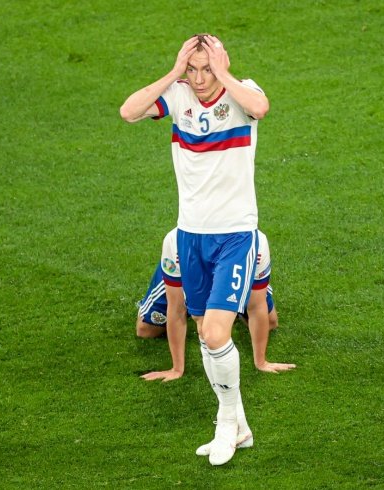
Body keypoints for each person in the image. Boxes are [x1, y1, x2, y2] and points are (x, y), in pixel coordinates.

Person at [120, 33, 270, 466]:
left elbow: (261, 108)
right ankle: (240, 426)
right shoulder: (178, 95)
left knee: (217, 334)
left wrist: (223, 72)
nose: (200, 79)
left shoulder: (243, 92)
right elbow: (128, 112)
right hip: (190, 235)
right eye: (193, 69)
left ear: (222, 63)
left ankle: (225, 424)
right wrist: (173, 72)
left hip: (235, 235)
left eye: (207, 69)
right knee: (207, 335)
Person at [136, 228, 294, 381]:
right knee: (146, 330)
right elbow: (176, 307)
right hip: (187, 268)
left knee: (270, 322)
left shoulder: (255, 241)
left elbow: (257, 306)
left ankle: (229, 303)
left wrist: (261, 362)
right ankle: (200, 300)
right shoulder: (176, 240)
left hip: (235, 262)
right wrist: (177, 368)